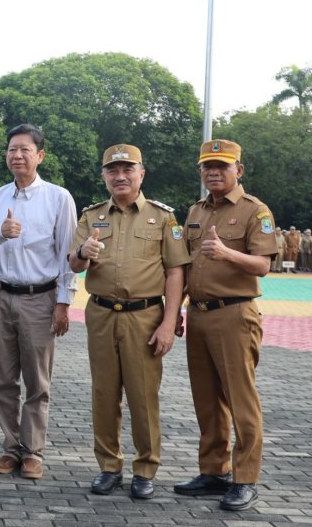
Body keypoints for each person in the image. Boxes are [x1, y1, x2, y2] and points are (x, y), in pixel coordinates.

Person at [69, 144, 189, 498]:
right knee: (104, 393)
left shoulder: (162, 217)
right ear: (104, 176)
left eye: (127, 169)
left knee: (142, 395)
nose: (120, 176)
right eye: (112, 170)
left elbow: (175, 271)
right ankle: (108, 466)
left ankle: (145, 468)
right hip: (102, 313)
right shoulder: (91, 217)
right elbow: (73, 264)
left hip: (145, 316)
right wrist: (82, 253)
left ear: (141, 174)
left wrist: (169, 322)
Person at [174, 139, 277, 512]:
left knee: (241, 400)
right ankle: (214, 471)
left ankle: (245, 478)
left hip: (235, 315)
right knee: (207, 400)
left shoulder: (255, 211)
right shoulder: (195, 211)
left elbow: (263, 265)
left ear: (239, 170)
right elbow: (184, 265)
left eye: (221, 165)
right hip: (199, 314)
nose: (213, 172)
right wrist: (177, 312)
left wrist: (226, 252)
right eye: (207, 166)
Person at [0, 123, 76, 480]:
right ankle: (11, 446)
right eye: (12, 149)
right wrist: (0, 234)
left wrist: (64, 302)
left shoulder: (58, 198)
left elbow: (67, 254)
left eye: (25, 150)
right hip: (1, 295)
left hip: (40, 298)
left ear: (40, 155)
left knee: (37, 381)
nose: (17, 155)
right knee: (0, 380)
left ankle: (33, 452)